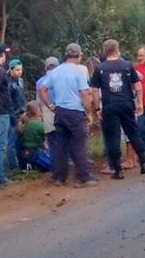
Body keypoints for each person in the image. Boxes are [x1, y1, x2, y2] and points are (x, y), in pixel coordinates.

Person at [39, 43, 98, 188]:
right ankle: (83, 177)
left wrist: (50, 105)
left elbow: (42, 89)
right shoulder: (78, 71)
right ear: (79, 55)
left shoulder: (56, 71)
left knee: (61, 145)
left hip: (59, 112)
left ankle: (59, 177)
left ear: (66, 55)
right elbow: (84, 93)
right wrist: (89, 112)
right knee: (79, 143)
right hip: (75, 111)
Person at [91, 39, 145, 179]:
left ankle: (118, 170)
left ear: (105, 51)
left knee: (113, 138)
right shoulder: (127, 65)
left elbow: (94, 90)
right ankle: (143, 163)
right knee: (133, 132)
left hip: (109, 105)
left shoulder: (100, 68)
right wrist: (139, 102)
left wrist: (97, 108)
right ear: (117, 49)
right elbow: (138, 85)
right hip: (126, 103)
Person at [35, 56, 59, 168]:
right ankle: (67, 160)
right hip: (62, 111)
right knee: (65, 138)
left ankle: (54, 163)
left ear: (45, 67)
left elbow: (38, 102)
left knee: (52, 140)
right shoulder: (61, 78)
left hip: (47, 112)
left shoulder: (40, 82)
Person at [0, 42, 14, 188]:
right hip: (0, 113)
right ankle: (0, 178)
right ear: (1, 55)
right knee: (0, 146)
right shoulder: (0, 71)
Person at [17, 100, 51, 171]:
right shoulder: (38, 124)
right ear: (37, 111)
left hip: (25, 154)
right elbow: (48, 136)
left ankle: (29, 166)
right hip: (35, 153)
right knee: (55, 164)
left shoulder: (25, 123)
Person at [7, 58, 26, 170]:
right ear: (11, 70)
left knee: (21, 142)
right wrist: (14, 119)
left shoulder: (21, 81)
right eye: (17, 70)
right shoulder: (9, 84)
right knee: (11, 143)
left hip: (22, 115)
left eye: (21, 70)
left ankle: (21, 164)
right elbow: (8, 104)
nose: (19, 72)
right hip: (13, 117)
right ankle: (13, 167)